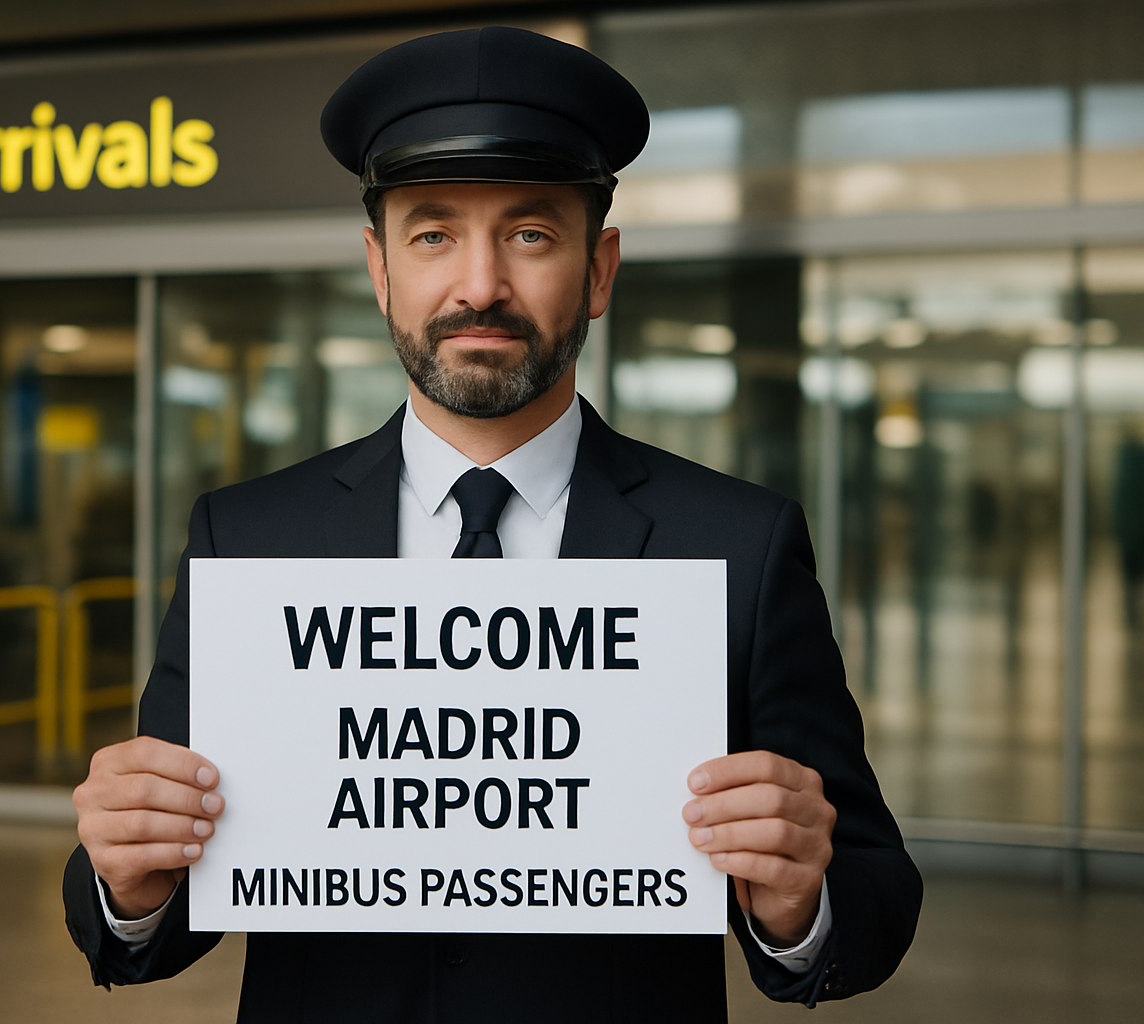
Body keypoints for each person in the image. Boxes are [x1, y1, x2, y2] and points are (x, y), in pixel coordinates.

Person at [63, 27, 920, 1022]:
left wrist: (799, 898)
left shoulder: (739, 546)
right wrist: (127, 885)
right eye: (433, 234)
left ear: (599, 270)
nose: (479, 285)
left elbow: (873, 900)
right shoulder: (248, 539)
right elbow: (153, 915)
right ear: (380, 269)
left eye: (530, 233)